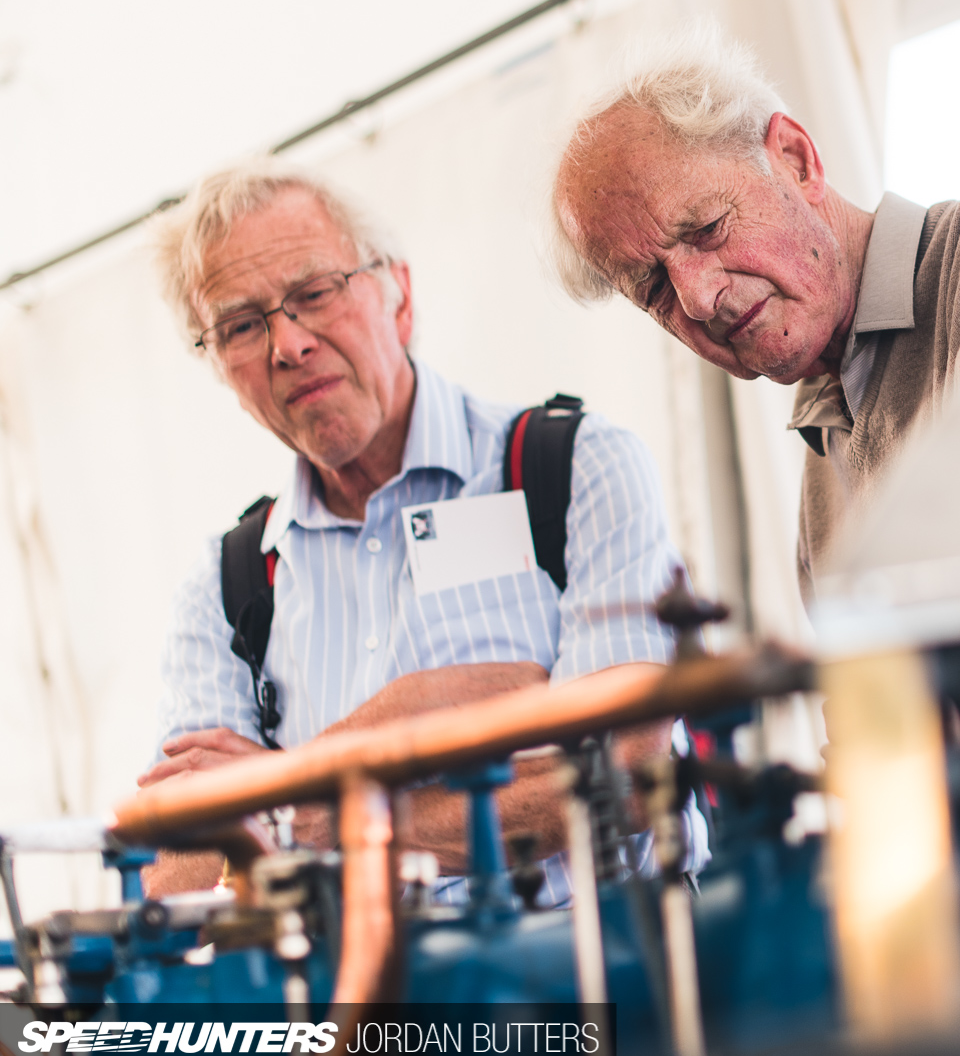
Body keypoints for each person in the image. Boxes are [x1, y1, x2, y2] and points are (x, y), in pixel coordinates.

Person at [140, 163, 695, 899]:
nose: (288, 344)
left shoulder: (571, 468)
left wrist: (281, 799)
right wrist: (430, 720)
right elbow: (171, 872)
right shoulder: (224, 588)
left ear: (398, 295)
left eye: (313, 293)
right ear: (220, 370)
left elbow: (627, 775)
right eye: (242, 325)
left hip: (607, 983)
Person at [548, 27, 960, 591]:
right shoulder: (821, 482)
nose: (697, 298)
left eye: (707, 228)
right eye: (654, 289)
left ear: (796, 160)